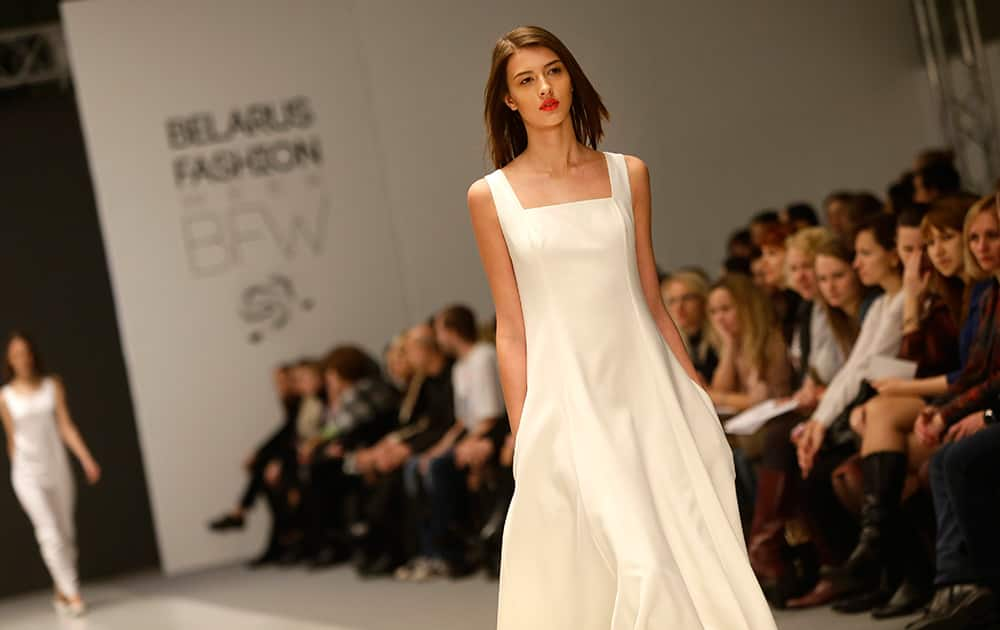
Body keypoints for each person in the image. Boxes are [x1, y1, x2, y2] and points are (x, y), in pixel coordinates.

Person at [467, 25, 777, 629]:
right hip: (569, 401)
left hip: (649, 392)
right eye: (525, 81)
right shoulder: (491, 197)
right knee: (641, 564)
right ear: (509, 100)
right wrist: (523, 432)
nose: (544, 89)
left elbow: (652, 299)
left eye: (553, 71)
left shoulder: (627, 174)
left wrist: (696, 394)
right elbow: (512, 327)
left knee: (683, 553)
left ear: (571, 76)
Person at [0, 331, 101, 617]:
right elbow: (11, 439)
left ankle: (61, 587)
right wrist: (19, 470)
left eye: (26, 352)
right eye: (16, 353)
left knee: (66, 532)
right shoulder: (4, 397)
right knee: (49, 533)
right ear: (10, 359)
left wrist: (85, 458)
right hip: (26, 472)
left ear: (33, 354)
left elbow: (65, 426)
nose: (22, 358)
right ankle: (73, 592)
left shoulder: (52, 385)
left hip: (56, 466)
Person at [661, 270, 717, 384]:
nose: (679, 307)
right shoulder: (666, 343)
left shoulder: (719, 338)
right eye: (672, 301)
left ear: (703, 300)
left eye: (687, 298)